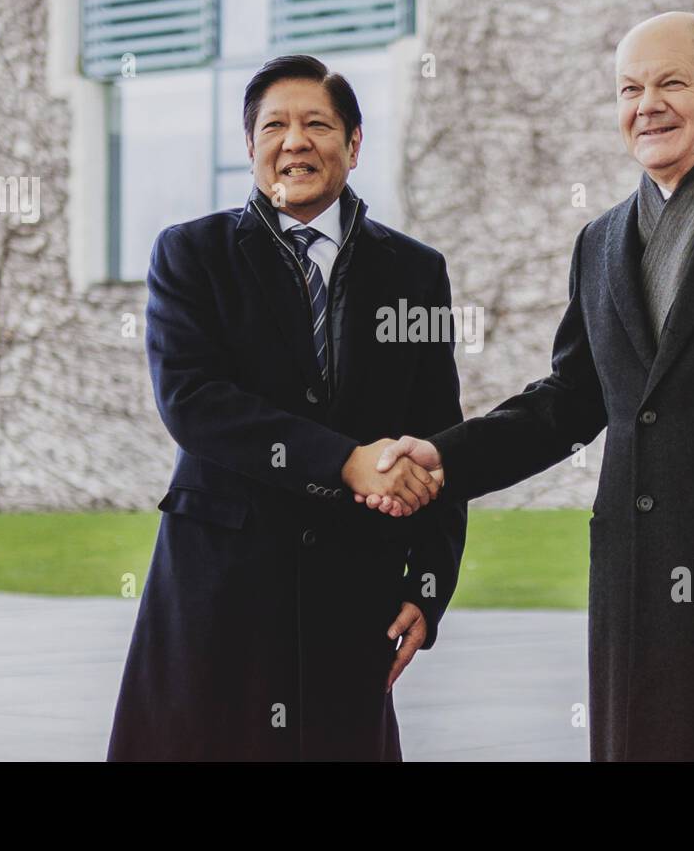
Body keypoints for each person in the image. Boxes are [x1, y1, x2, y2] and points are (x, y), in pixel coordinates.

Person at [364, 12, 694, 761]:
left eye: (671, 82)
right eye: (629, 88)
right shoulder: (602, 241)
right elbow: (567, 403)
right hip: (636, 583)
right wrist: (444, 456)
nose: (646, 103)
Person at [107, 55, 467, 761]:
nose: (294, 141)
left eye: (317, 124)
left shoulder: (414, 272)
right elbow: (193, 401)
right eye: (275, 125)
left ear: (354, 143)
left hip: (350, 593)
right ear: (250, 147)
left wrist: (429, 584)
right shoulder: (191, 254)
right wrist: (345, 462)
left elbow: (438, 436)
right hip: (220, 589)